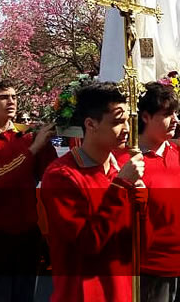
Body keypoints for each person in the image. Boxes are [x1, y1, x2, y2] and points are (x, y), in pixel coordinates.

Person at [41, 82, 144, 302]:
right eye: (117, 122)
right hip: (83, 293)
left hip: (124, 290)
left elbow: (139, 242)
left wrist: (143, 206)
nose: (126, 129)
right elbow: (87, 243)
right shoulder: (62, 175)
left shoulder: (122, 167)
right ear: (90, 124)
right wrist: (120, 187)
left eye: (127, 120)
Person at [122, 81, 180, 302]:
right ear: (145, 117)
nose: (176, 120)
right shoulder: (128, 161)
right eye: (167, 114)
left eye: (176, 114)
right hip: (152, 269)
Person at [0, 80, 57, 302]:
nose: (11, 102)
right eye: (4, 97)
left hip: (27, 235)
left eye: (14, 97)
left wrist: (49, 142)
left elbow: (52, 174)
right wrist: (33, 148)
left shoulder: (29, 135)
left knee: (24, 297)